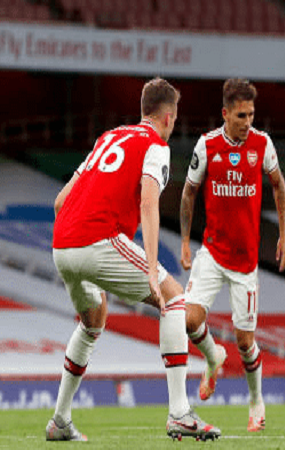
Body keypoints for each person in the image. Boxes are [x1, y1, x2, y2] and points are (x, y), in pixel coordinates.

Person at [49, 78, 220, 441]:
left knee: (92, 321)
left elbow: (61, 201)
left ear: (144, 109)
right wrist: (154, 272)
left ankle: (60, 421)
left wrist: (72, 247)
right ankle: (179, 413)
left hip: (62, 244)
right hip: (97, 239)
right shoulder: (156, 146)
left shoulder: (107, 138)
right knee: (174, 297)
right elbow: (148, 203)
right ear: (170, 117)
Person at [180, 78, 285, 433]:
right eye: (241, 115)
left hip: (245, 261)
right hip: (212, 252)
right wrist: (185, 242)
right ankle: (213, 357)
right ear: (225, 114)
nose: (247, 122)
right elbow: (188, 193)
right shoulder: (207, 145)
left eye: (252, 114)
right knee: (189, 320)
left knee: (245, 343)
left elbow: (278, 184)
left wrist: (284, 236)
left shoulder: (262, 143)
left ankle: (256, 401)